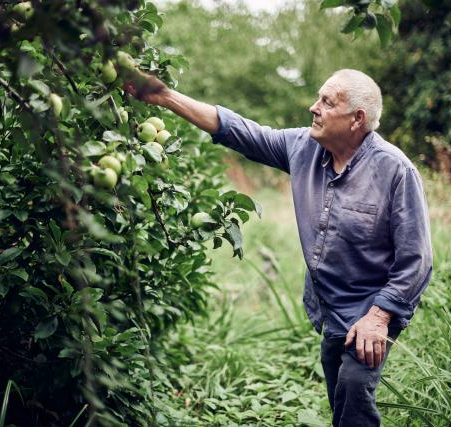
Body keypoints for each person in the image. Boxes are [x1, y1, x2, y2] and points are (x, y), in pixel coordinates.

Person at [125, 68, 433, 426]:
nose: (312, 108)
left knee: (353, 389)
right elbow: (241, 131)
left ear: (356, 119)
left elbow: (417, 258)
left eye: (326, 102)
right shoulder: (303, 147)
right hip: (329, 303)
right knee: (340, 393)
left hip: (373, 306)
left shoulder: (395, 171)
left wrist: (379, 317)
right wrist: (164, 96)